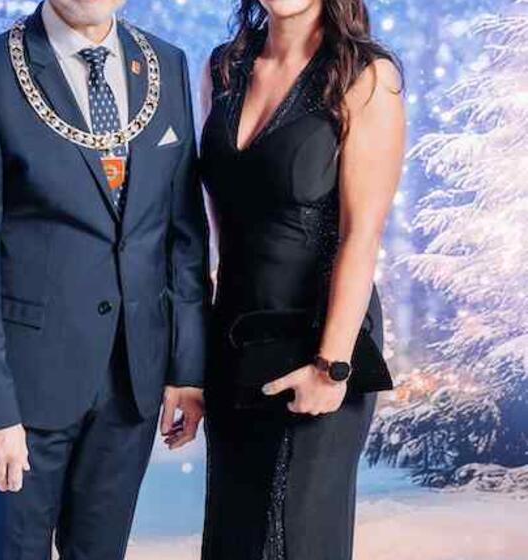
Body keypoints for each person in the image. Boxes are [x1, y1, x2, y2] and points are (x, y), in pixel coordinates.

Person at [0, 0, 210, 557]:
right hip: (25, 390)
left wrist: (187, 367)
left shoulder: (167, 64)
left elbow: (183, 233)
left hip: (133, 379)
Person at [199, 0, 404, 558]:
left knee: (297, 537)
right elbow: (221, 223)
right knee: (235, 536)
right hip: (236, 338)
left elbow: (362, 235)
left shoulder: (365, 74)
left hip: (321, 340)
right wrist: (196, 358)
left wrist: (331, 366)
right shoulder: (224, 66)